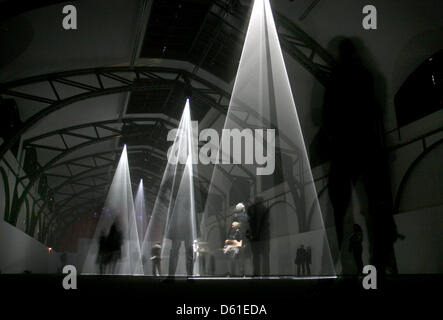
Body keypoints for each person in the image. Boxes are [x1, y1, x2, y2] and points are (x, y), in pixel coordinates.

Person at [247, 197, 270, 276]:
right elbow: (266, 224)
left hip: (255, 238)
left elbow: (249, 223)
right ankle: (266, 273)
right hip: (264, 237)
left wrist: (249, 236)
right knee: (265, 255)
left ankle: (256, 273)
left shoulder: (251, 209)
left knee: (256, 256)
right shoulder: (265, 209)